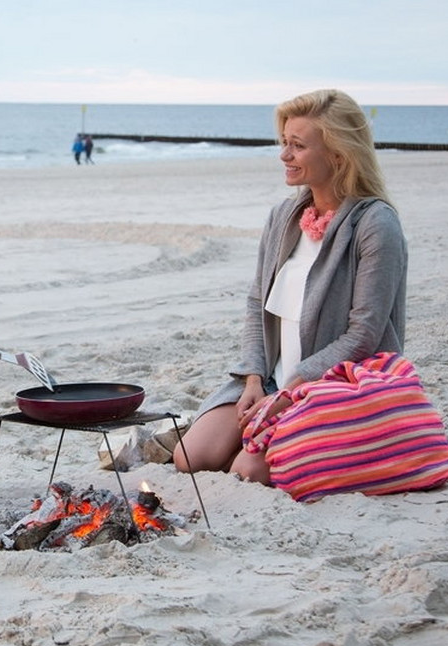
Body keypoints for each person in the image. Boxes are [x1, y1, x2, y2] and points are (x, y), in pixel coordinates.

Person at [174, 89, 407, 485]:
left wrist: (290, 391)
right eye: (284, 142)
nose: (284, 155)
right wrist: (252, 380)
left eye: (297, 146)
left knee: (246, 472)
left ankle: (284, 440)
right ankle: (252, 430)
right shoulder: (284, 216)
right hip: (269, 380)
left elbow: (364, 335)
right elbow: (255, 304)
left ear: (337, 154)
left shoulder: (375, 224)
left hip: (334, 386)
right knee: (190, 458)